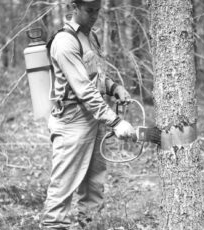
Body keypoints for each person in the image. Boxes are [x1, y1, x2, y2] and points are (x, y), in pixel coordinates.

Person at [40, 0, 136, 229]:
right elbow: (83, 88)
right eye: (89, 10)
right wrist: (115, 121)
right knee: (63, 187)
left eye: (97, 10)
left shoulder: (88, 36)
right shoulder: (64, 42)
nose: (94, 16)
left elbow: (96, 75)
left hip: (93, 118)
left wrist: (114, 88)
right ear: (75, 7)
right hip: (72, 120)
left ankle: (89, 224)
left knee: (94, 186)